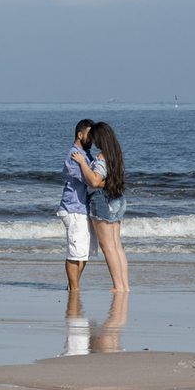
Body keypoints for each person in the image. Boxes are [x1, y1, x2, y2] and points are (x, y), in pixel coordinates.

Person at [71, 121, 129, 291]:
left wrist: (82, 162)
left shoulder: (102, 157)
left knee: (108, 247)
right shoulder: (115, 154)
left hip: (102, 200)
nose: (93, 142)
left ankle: (118, 286)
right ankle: (124, 286)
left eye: (95, 138)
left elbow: (95, 181)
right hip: (116, 199)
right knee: (117, 246)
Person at [59, 119, 97, 290]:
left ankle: (72, 286)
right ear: (80, 135)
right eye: (90, 135)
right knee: (75, 251)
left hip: (82, 208)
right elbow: (90, 180)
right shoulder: (74, 155)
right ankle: (74, 288)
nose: (92, 140)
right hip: (73, 208)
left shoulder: (85, 154)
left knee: (83, 251)